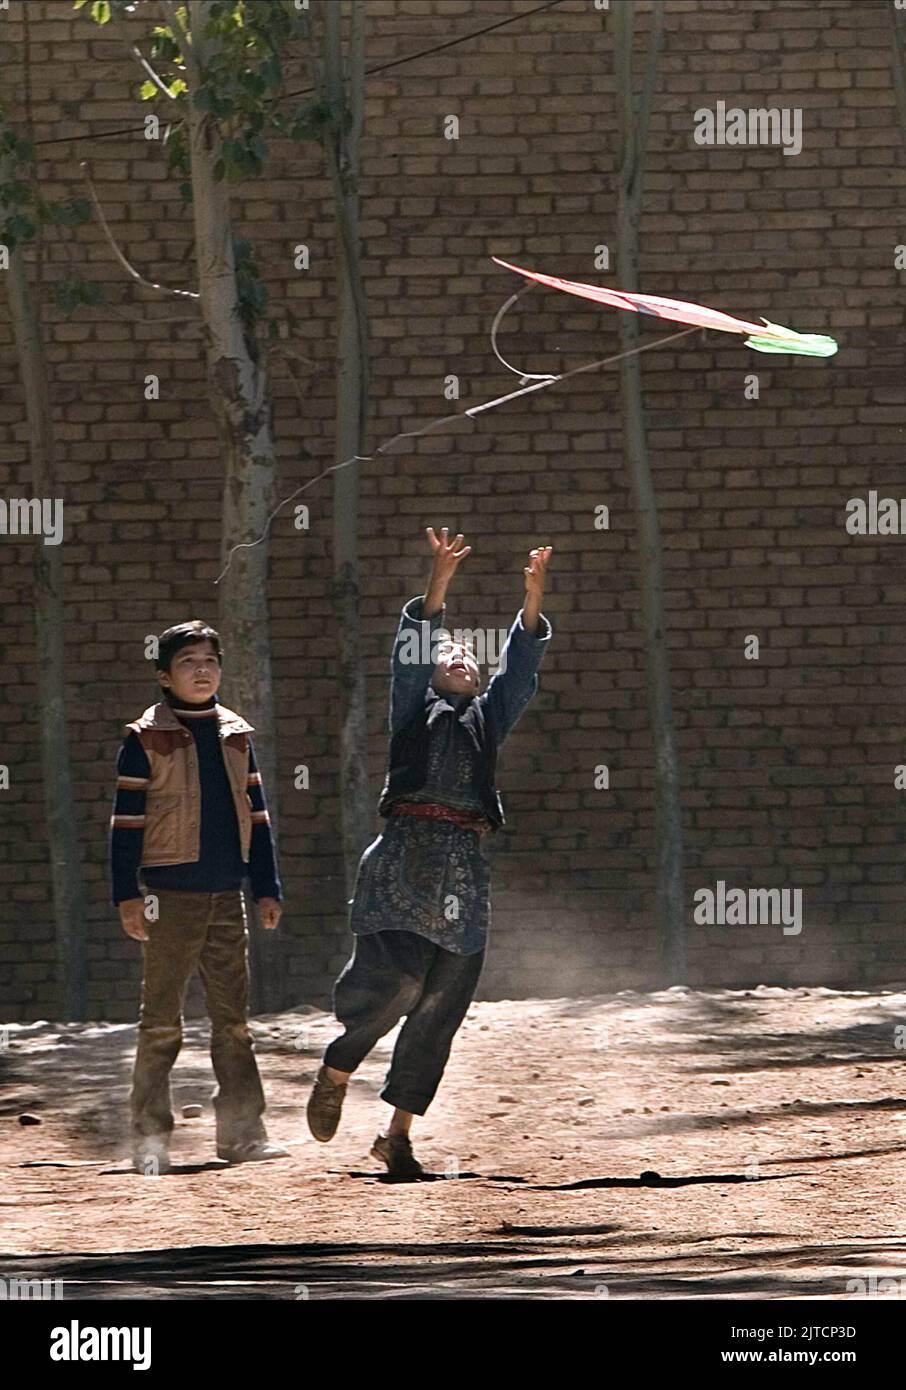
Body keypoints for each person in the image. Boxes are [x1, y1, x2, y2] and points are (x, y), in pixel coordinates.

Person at [307, 528, 553, 1177]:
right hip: (401, 867)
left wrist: (530, 606)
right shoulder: (412, 712)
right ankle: (340, 1064)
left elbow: (519, 675)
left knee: (441, 1006)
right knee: (401, 983)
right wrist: (437, 585)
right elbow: (408, 656)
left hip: (464, 878)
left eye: (471, 659)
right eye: (450, 655)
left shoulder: (486, 720)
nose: (463, 662)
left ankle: (398, 1135)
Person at [110, 619, 288, 1174]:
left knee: (233, 1021)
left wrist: (265, 886)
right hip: (168, 896)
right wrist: (127, 894)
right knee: (161, 1020)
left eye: (210, 660)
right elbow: (126, 824)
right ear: (165, 676)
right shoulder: (145, 738)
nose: (202, 670)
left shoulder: (236, 734)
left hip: (225, 895)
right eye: (188, 662)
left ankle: (241, 1135)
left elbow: (257, 819)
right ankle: (149, 1137)